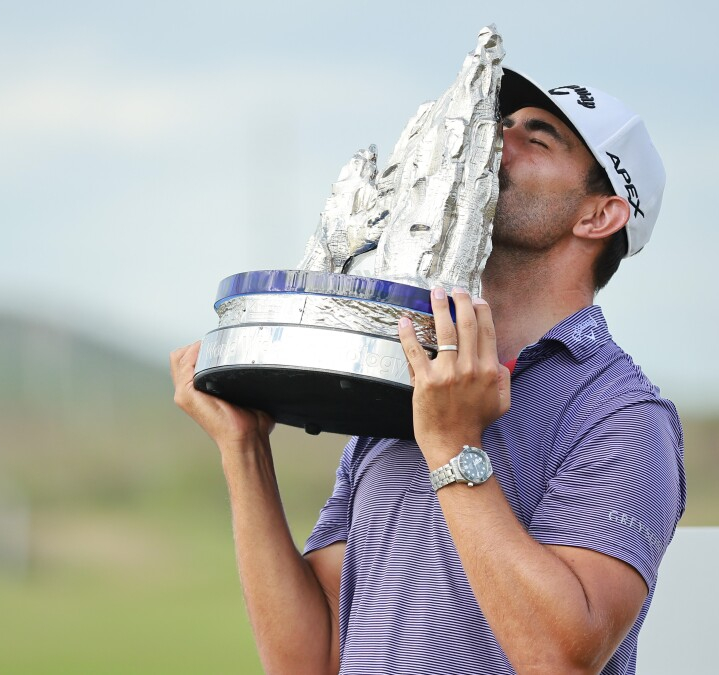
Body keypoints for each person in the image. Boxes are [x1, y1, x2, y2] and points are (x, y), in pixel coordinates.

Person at [169, 68, 685, 675]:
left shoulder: (620, 415)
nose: (495, 141)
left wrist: (452, 445)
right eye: (502, 125)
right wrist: (245, 449)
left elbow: (560, 660)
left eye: (537, 139)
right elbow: (305, 661)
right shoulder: (407, 377)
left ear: (599, 217)